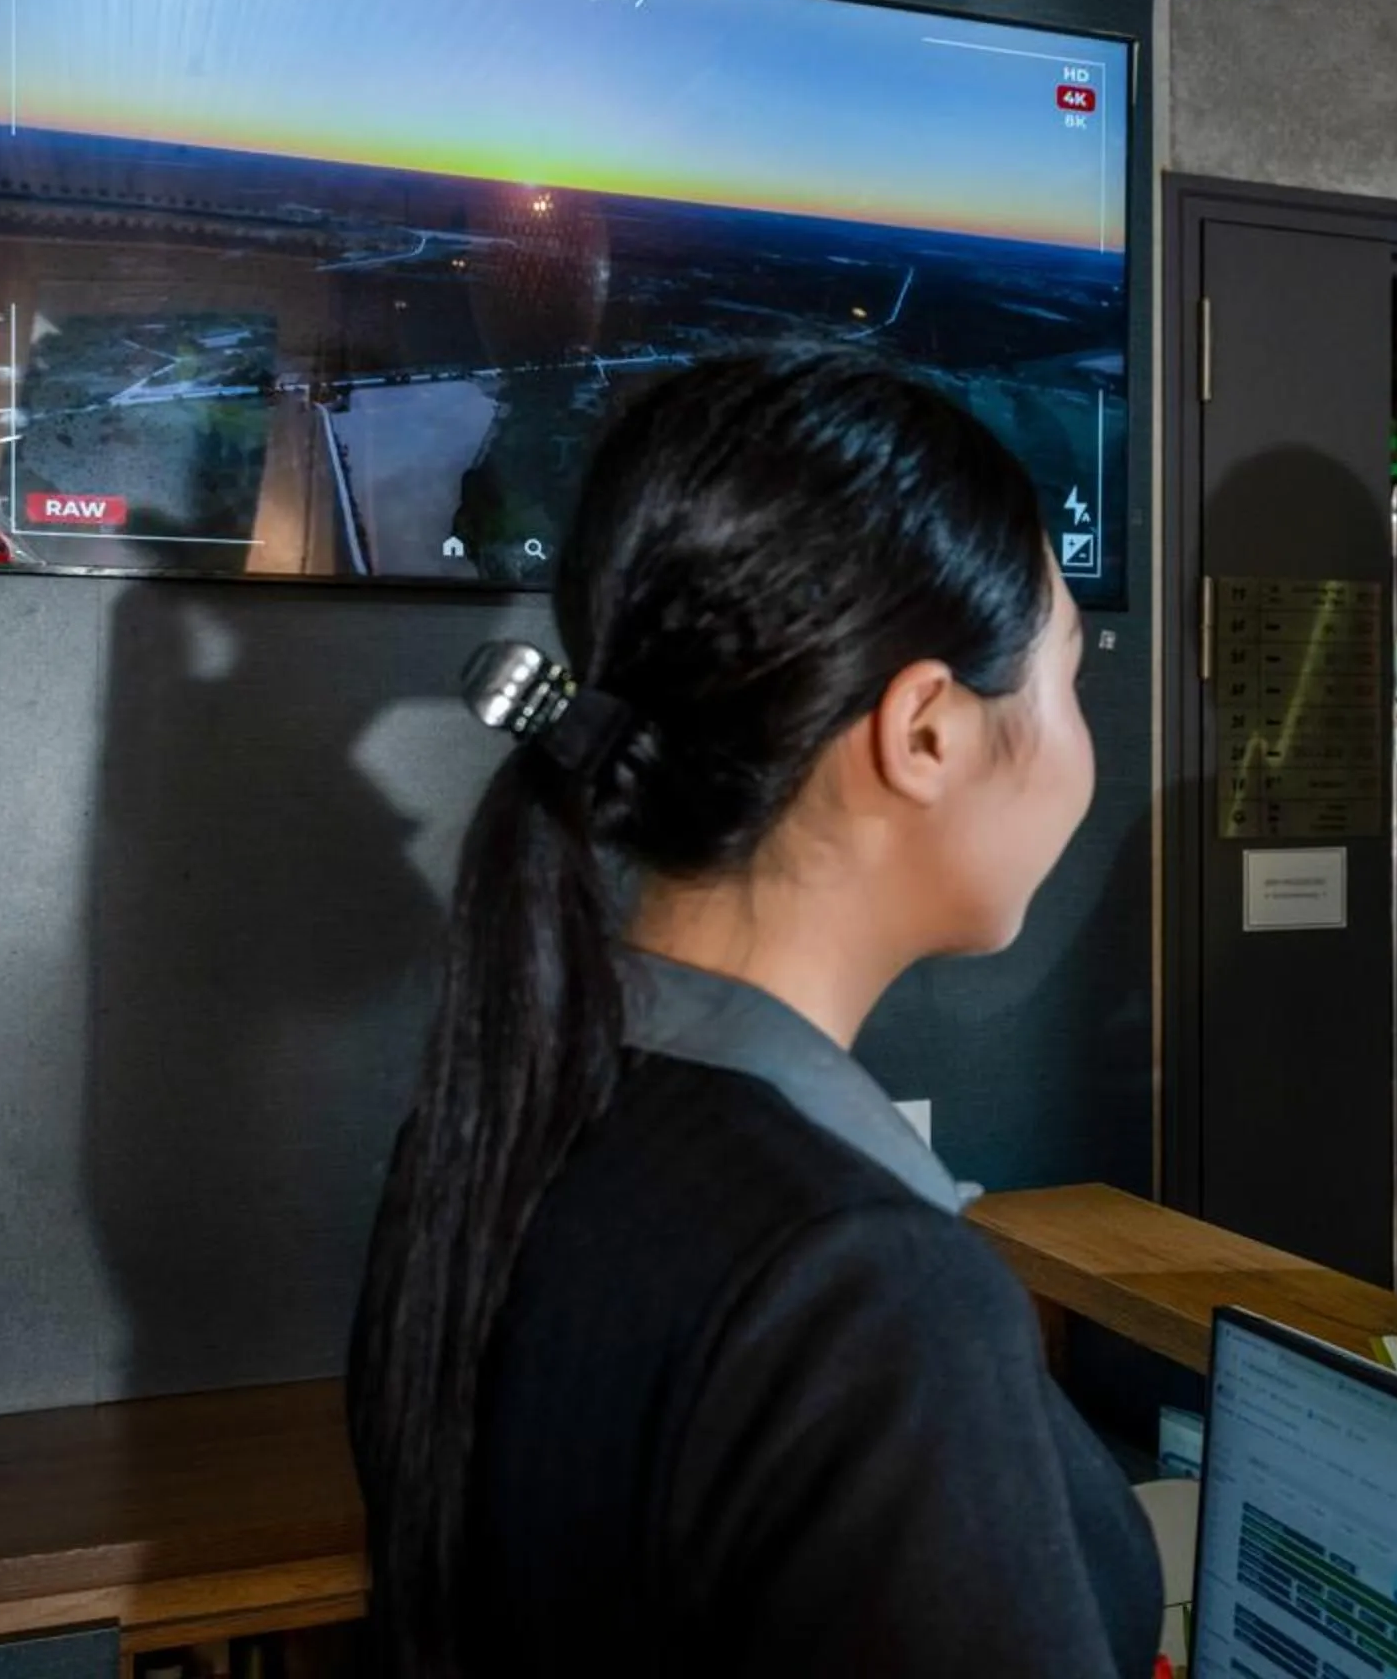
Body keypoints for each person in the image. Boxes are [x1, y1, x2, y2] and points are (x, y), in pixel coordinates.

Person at [347, 348, 1159, 1676]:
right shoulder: (870, 1282)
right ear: (927, 732)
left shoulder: (508, 1112)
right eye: (1067, 674)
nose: (1079, 736)